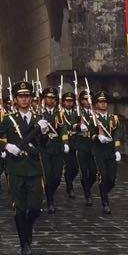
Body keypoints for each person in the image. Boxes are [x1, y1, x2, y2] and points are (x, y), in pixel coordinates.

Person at [0, 80, 46, 255]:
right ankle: (24, 243)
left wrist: (45, 133)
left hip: (34, 168)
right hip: (15, 169)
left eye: (27, 96)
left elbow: (44, 145)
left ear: (31, 98)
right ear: (15, 99)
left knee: (35, 209)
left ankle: (28, 230)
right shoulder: (8, 120)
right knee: (20, 209)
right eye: (21, 96)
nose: (24, 100)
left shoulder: (39, 120)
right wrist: (6, 146)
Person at [89, 90, 123, 214]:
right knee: (103, 176)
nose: (103, 104)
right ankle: (105, 202)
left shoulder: (113, 118)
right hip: (99, 151)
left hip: (110, 151)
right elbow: (90, 134)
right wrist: (98, 137)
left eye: (105, 102)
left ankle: (103, 192)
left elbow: (118, 135)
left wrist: (118, 150)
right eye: (100, 102)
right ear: (96, 104)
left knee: (112, 179)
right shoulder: (93, 119)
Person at [36, 86, 65, 214]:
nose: (50, 100)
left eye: (53, 98)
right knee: (47, 175)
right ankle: (50, 200)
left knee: (57, 177)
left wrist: (65, 142)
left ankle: (50, 194)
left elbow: (63, 128)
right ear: (44, 99)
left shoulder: (60, 113)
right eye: (48, 97)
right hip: (45, 148)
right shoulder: (39, 113)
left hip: (57, 148)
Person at [72, 88, 98, 206]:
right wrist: (78, 126)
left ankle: (88, 186)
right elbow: (70, 126)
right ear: (81, 101)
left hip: (93, 146)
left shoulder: (96, 113)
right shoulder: (77, 112)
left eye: (89, 99)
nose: (87, 101)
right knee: (84, 171)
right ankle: (87, 194)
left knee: (93, 172)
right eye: (85, 99)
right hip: (82, 145)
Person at [59, 90, 80, 197]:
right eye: (67, 101)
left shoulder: (77, 113)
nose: (69, 103)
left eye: (71, 101)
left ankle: (69, 181)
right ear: (63, 102)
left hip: (75, 143)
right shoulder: (60, 114)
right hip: (63, 143)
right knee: (67, 166)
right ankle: (69, 186)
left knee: (75, 168)